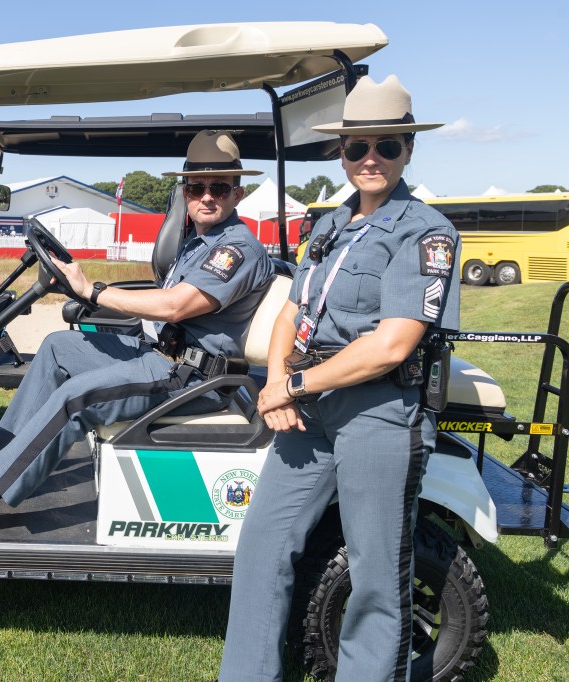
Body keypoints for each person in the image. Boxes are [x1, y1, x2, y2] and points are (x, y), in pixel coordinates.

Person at [218, 75, 460, 681]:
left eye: (387, 145)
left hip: (377, 412)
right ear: (341, 153)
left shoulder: (425, 232)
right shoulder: (327, 226)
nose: (370, 158)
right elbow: (292, 314)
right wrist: (277, 383)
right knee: (261, 549)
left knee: (377, 575)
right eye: (357, 147)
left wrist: (294, 386)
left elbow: (391, 344)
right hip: (307, 409)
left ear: (409, 149)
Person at [0, 130, 276, 534]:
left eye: (219, 187)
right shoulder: (198, 242)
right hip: (162, 357)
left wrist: (92, 289)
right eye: (196, 186)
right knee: (59, 347)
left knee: (76, 398)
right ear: (184, 191)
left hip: (192, 378)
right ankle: (6, 454)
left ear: (238, 194)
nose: (206, 196)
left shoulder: (235, 249)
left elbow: (175, 305)